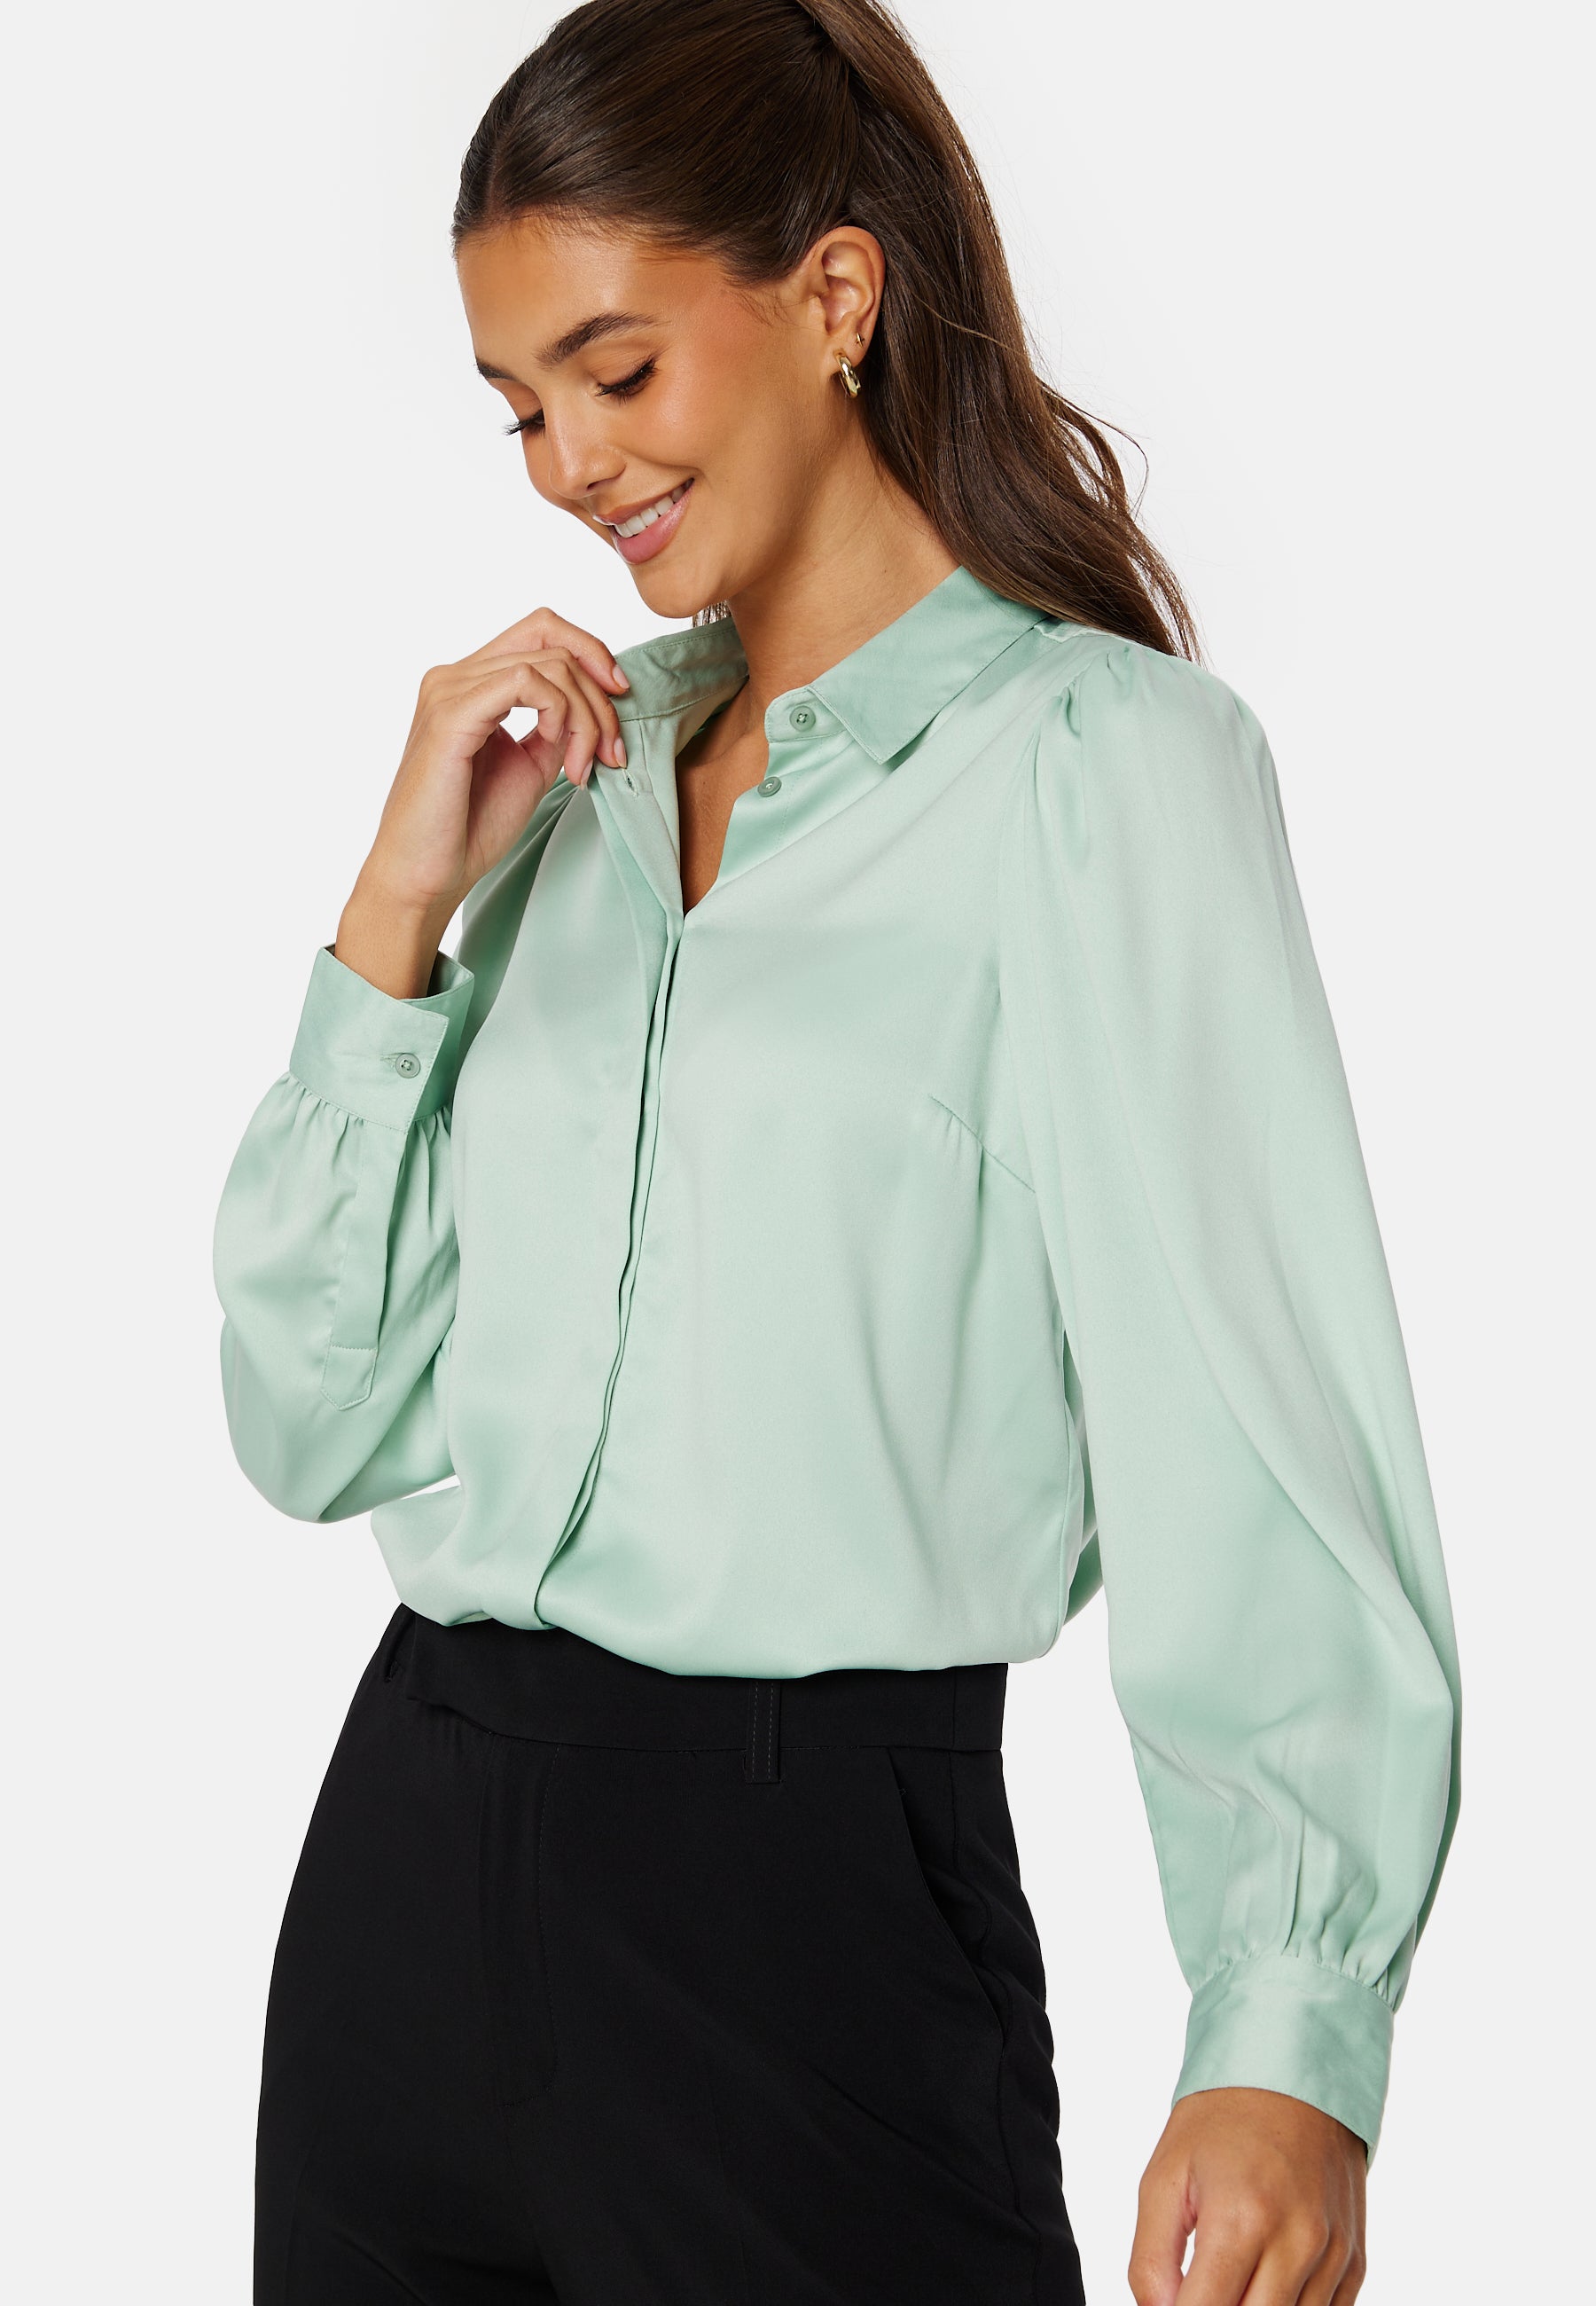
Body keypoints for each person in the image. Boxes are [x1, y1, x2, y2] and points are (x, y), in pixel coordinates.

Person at [212, 3, 1461, 2301]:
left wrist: (1291, 2029)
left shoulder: (1098, 772)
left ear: (836, 297)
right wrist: (398, 911)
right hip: (406, 1872)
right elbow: (313, 1423)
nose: (570, 464)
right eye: (521, 408)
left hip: (801, 1920)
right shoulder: (575, 795)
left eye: (615, 369)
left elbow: (1250, 1428)